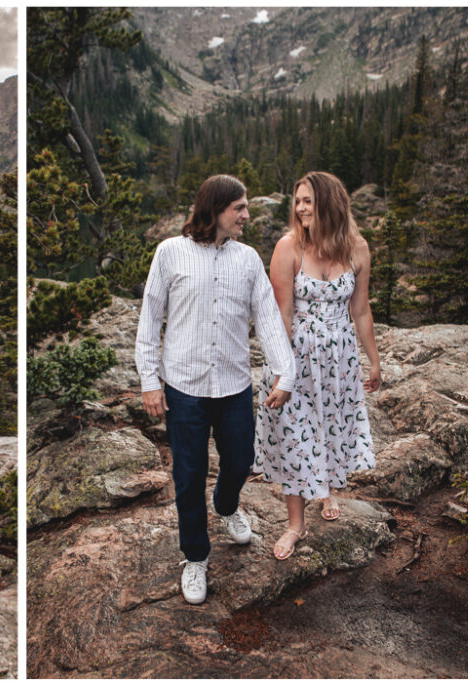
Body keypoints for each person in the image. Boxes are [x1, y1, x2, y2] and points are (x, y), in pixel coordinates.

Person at [135, 174, 296, 605]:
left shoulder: (247, 259)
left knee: (242, 459)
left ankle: (226, 505)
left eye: (246, 207)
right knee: (187, 476)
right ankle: (195, 556)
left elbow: (266, 318)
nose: (247, 214)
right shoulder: (170, 253)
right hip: (184, 387)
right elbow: (150, 319)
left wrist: (286, 372)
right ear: (215, 209)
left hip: (233, 385)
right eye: (239, 208)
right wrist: (150, 382)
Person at [253, 171, 382, 560]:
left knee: (330, 428)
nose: (301, 208)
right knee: (294, 437)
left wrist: (373, 361)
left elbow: (360, 310)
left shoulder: (357, 249)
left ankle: (327, 488)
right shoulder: (288, 248)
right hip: (296, 360)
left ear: (330, 202)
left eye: (308, 200)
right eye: (298, 201)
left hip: (339, 362)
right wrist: (281, 372)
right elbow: (281, 315)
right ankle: (295, 524)